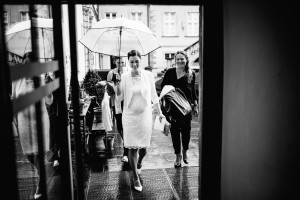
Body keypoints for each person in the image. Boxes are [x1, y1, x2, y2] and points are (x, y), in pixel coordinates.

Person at [116, 50, 164, 192]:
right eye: (132, 61)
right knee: (132, 147)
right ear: (128, 62)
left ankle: (140, 162)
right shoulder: (124, 77)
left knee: (144, 149)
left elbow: (154, 96)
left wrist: (160, 113)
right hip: (130, 116)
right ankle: (135, 177)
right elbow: (119, 98)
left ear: (140, 61)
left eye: (137, 61)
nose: (134, 64)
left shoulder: (148, 75)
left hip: (145, 116)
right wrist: (117, 85)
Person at [11, 52, 53, 199]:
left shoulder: (41, 79)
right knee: (29, 155)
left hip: (39, 122)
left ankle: (40, 189)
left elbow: (49, 101)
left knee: (39, 156)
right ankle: (43, 175)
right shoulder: (17, 81)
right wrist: (15, 119)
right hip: (23, 122)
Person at [160, 50, 198, 168]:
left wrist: (195, 105)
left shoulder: (190, 73)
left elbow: (193, 92)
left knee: (186, 132)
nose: (180, 61)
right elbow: (163, 87)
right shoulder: (170, 73)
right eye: (178, 59)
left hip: (186, 108)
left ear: (186, 60)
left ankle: (185, 153)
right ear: (175, 61)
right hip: (173, 108)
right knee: (175, 132)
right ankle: (178, 155)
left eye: (182, 59)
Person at [107, 56, 129, 162]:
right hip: (116, 103)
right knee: (120, 126)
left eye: (122, 62)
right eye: (118, 61)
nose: (121, 63)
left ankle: (126, 152)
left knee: (127, 126)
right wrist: (114, 84)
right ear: (115, 62)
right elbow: (108, 89)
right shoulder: (111, 73)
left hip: (127, 102)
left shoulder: (128, 71)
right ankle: (129, 144)